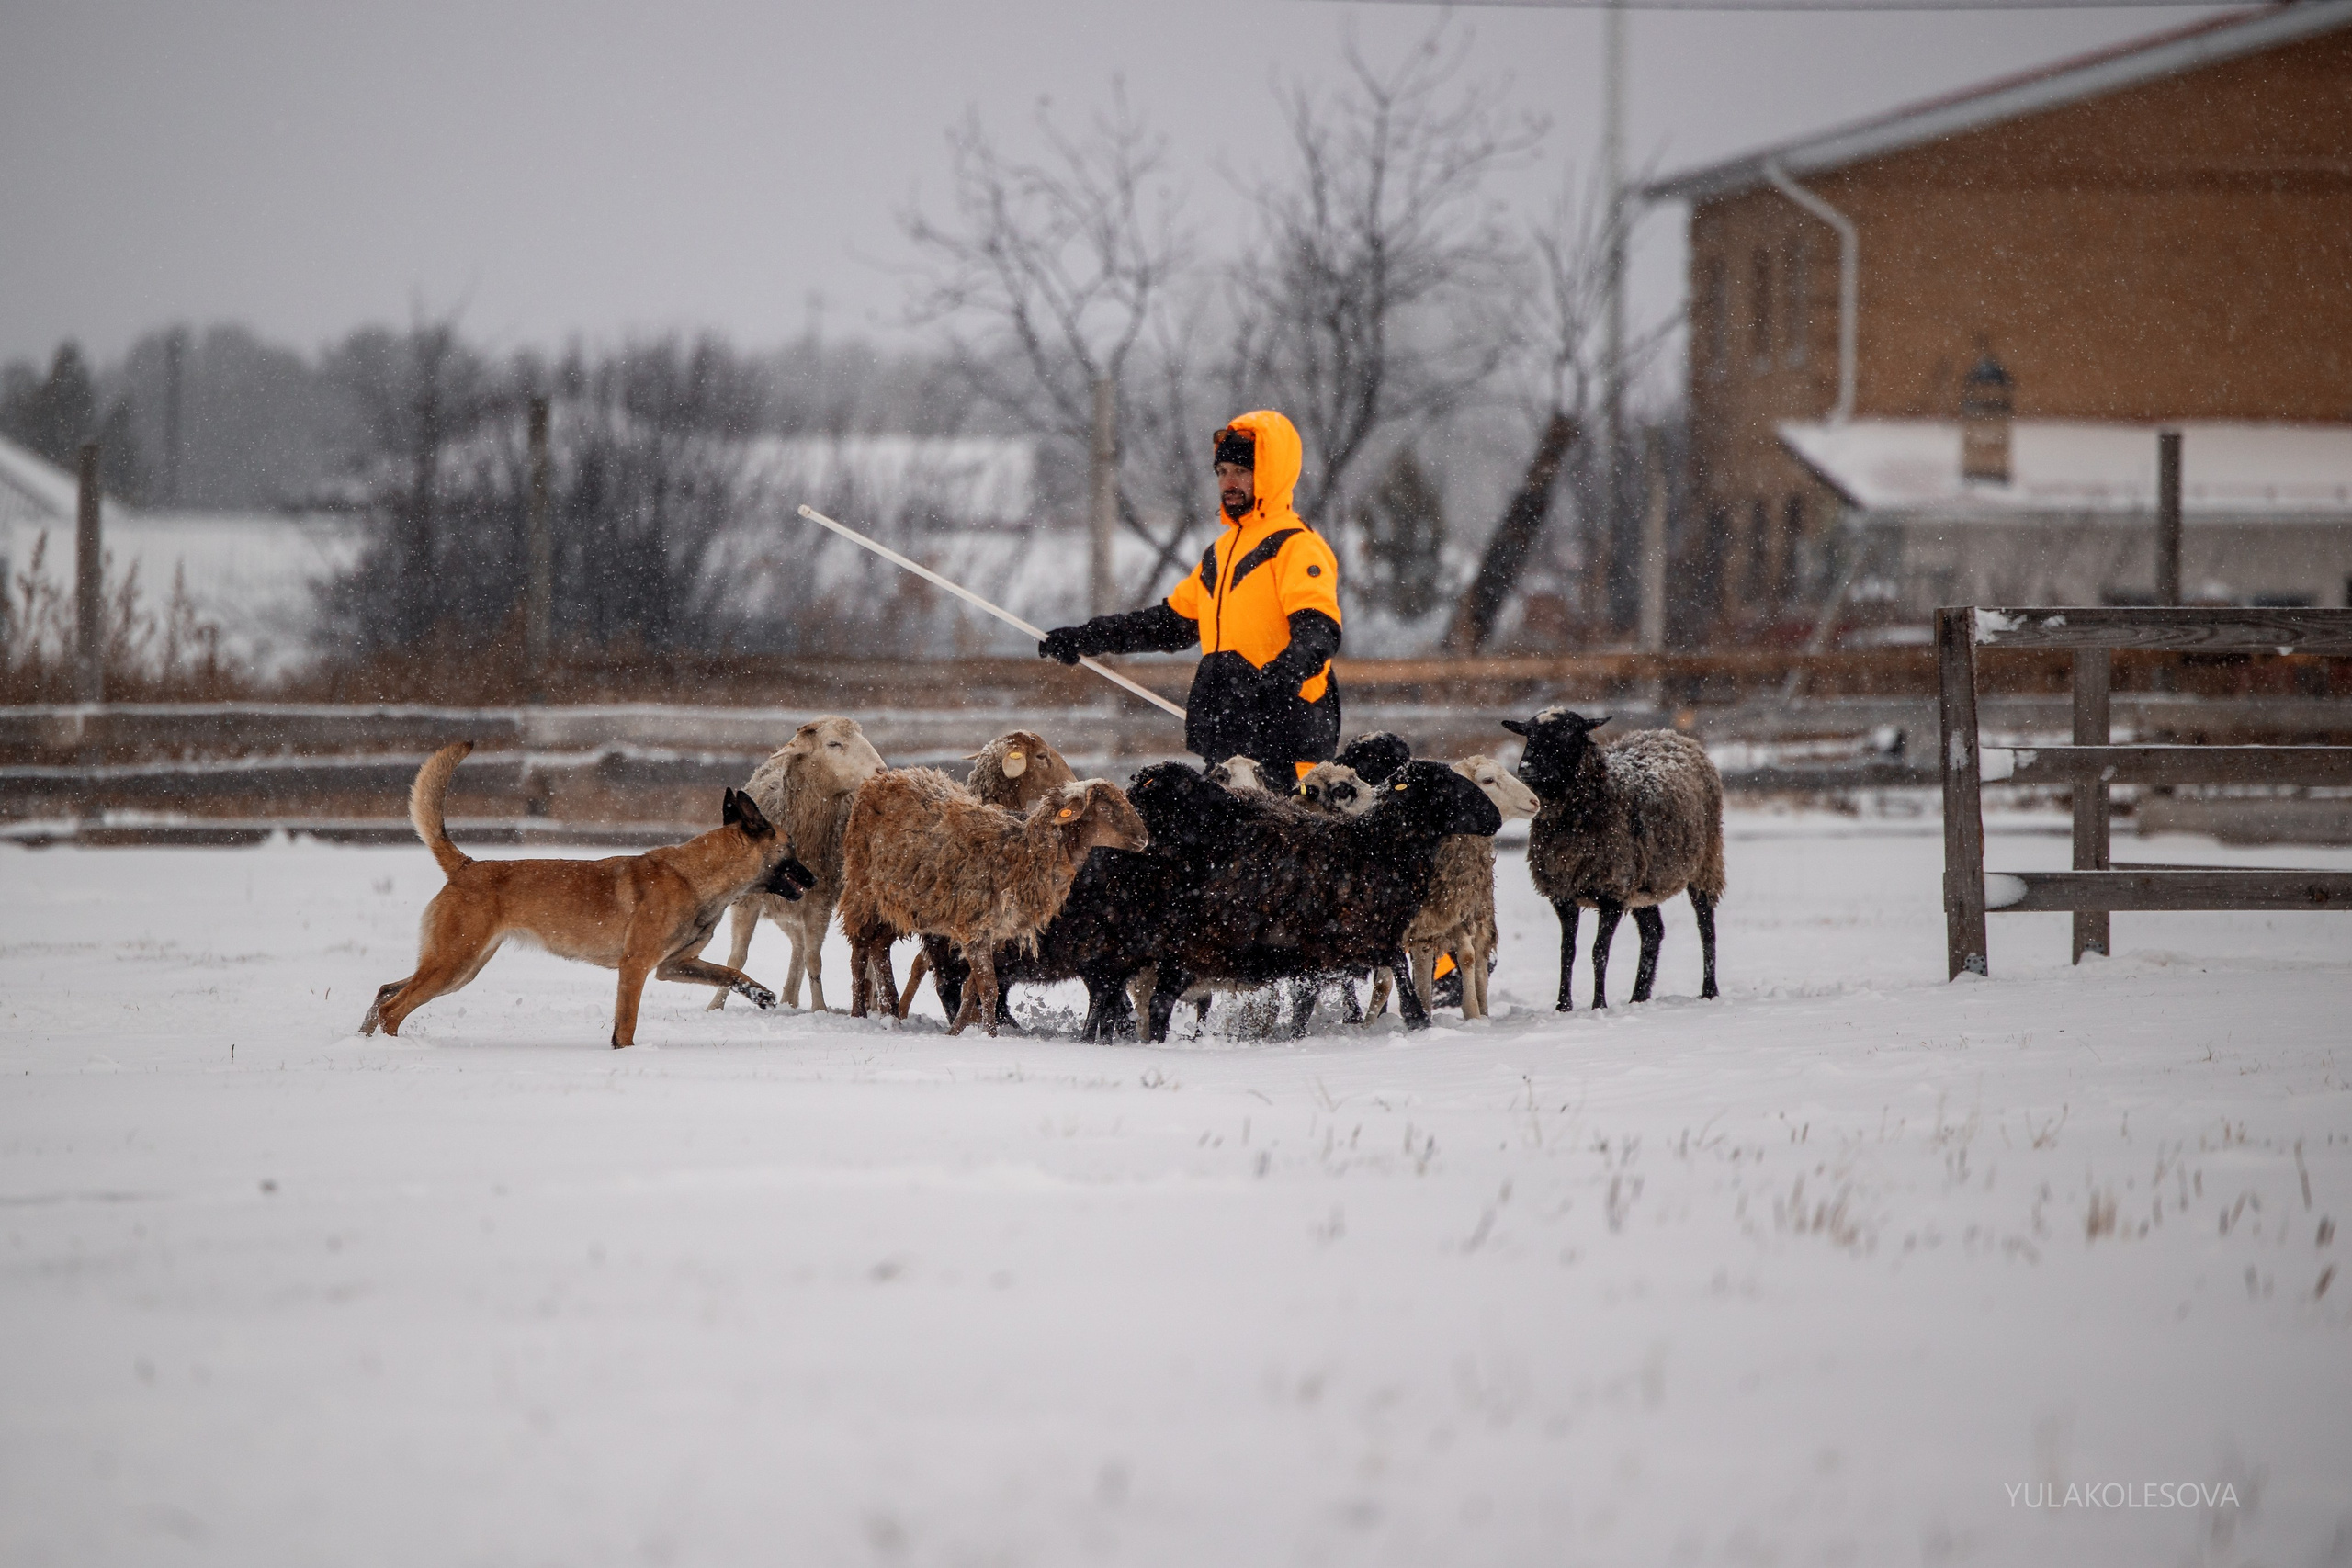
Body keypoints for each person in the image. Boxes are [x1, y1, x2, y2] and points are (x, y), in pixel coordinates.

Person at [1038, 409, 1341, 775]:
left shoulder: (1296, 546)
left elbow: (1319, 629)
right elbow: (1169, 624)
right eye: (1222, 472)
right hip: (1231, 740)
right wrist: (1088, 638)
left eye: (1242, 472)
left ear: (1270, 475)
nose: (1229, 482)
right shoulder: (1220, 553)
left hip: (1287, 741)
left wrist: (1280, 679)